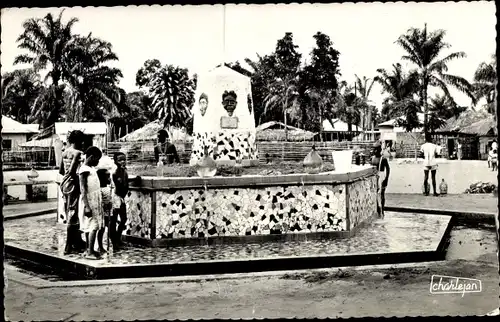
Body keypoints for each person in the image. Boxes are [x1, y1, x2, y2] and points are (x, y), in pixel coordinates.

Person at [59, 130, 86, 255]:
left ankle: (77, 242)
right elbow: (72, 171)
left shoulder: (64, 152)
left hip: (64, 184)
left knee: (71, 213)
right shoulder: (78, 153)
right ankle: (68, 246)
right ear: (79, 141)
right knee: (73, 215)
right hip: (73, 185)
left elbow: (61, 170)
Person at [78, 146, 104, 259]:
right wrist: (87, 206)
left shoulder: (90, 168)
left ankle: (89, 249)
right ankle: (90, 252)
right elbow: (83, 189)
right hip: (89, 201)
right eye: (97, 159)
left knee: (90, 225)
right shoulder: (84, 170)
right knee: (94, 225)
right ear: (92, 157)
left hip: (94, 200)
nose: (98, 162)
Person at [110, 152, 129, 249]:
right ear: (115, 161)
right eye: (120, 160)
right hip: (116, 197)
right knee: (113, 220)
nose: (123, 162)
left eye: (124, 159)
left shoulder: (123, 170)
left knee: (123, 219)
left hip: (121, 198)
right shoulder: (116, 172)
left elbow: (125, 182)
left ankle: (117, 238)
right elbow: (119, 186)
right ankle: (115, 242)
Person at [96, 156, 113, 254]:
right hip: (103, 212)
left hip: (108, 212)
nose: (109, 178)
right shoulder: (100, 189)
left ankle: (108, 244)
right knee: (101, 229)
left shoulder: (108, 188)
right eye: (107, 177)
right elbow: (101, 201)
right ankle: (100, 245)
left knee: (108, 227)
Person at [371, 141, 390, 218]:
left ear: (380, 149)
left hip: (381, 176)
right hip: (374, 177)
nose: (375, 151)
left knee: (382, 194)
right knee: (375, 194)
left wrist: (386, 179)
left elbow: (388, 169)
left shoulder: (383, 159)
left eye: (376, 149)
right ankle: (377, 209)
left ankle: (382, 210)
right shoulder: (372, 158)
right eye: (374, 149)